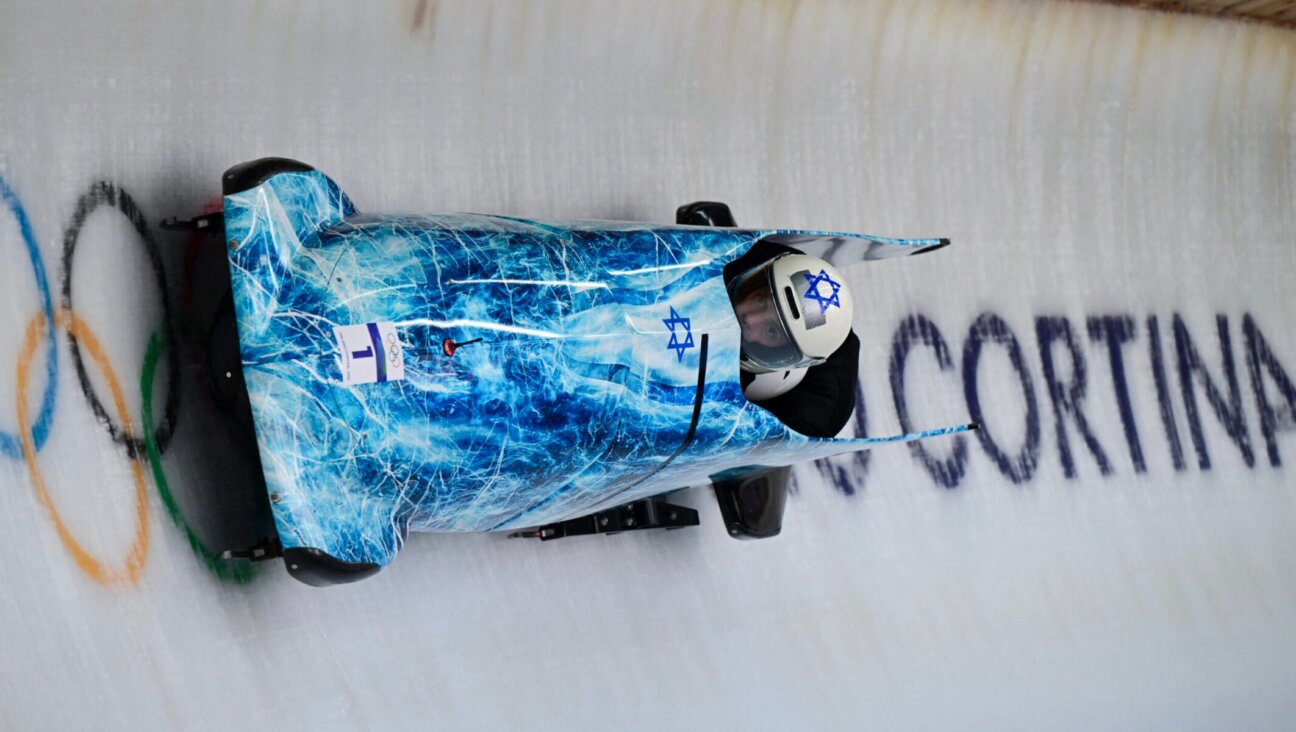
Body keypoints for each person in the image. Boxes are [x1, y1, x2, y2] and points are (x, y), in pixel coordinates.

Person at [723, 239, 860, 438]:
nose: (750, 319)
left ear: (778, 356)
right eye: (760, 300)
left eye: (771, 331)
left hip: (790, 407)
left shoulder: (818, 414)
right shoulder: (766, 260)